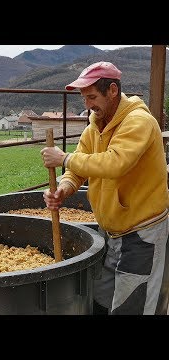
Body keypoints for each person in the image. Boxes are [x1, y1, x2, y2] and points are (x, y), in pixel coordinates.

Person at [40, 61, 169, 315]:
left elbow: (115, 163)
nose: (87, 105)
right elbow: (78, 169)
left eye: (91, 97)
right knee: (101, 302)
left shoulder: (138, 121)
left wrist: (63, 157)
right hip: (111, 232)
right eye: (84, 98)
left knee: (136, 304)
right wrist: (64, 189)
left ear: (112, 90)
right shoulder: (94, 127)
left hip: (143, 233)